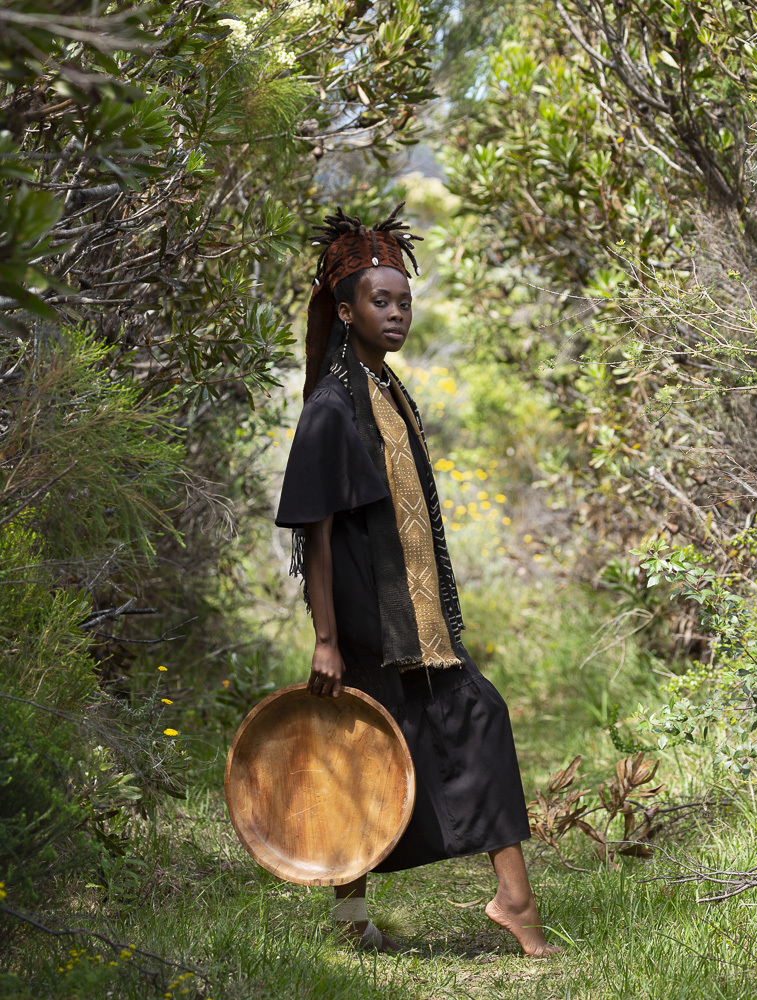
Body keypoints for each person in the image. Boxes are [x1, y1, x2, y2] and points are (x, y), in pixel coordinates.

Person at [275, 204, 560, 958]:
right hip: (370, 616)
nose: (397, 313)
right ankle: (511, 903)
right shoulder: (331, 407)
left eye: (404, 300)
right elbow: (315, 529)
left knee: (378, 745)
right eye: (381, 301)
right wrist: (327, 639)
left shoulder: (387, 391)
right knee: (407, 738)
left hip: (408, 611)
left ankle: (373, 917)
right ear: (346, 311)